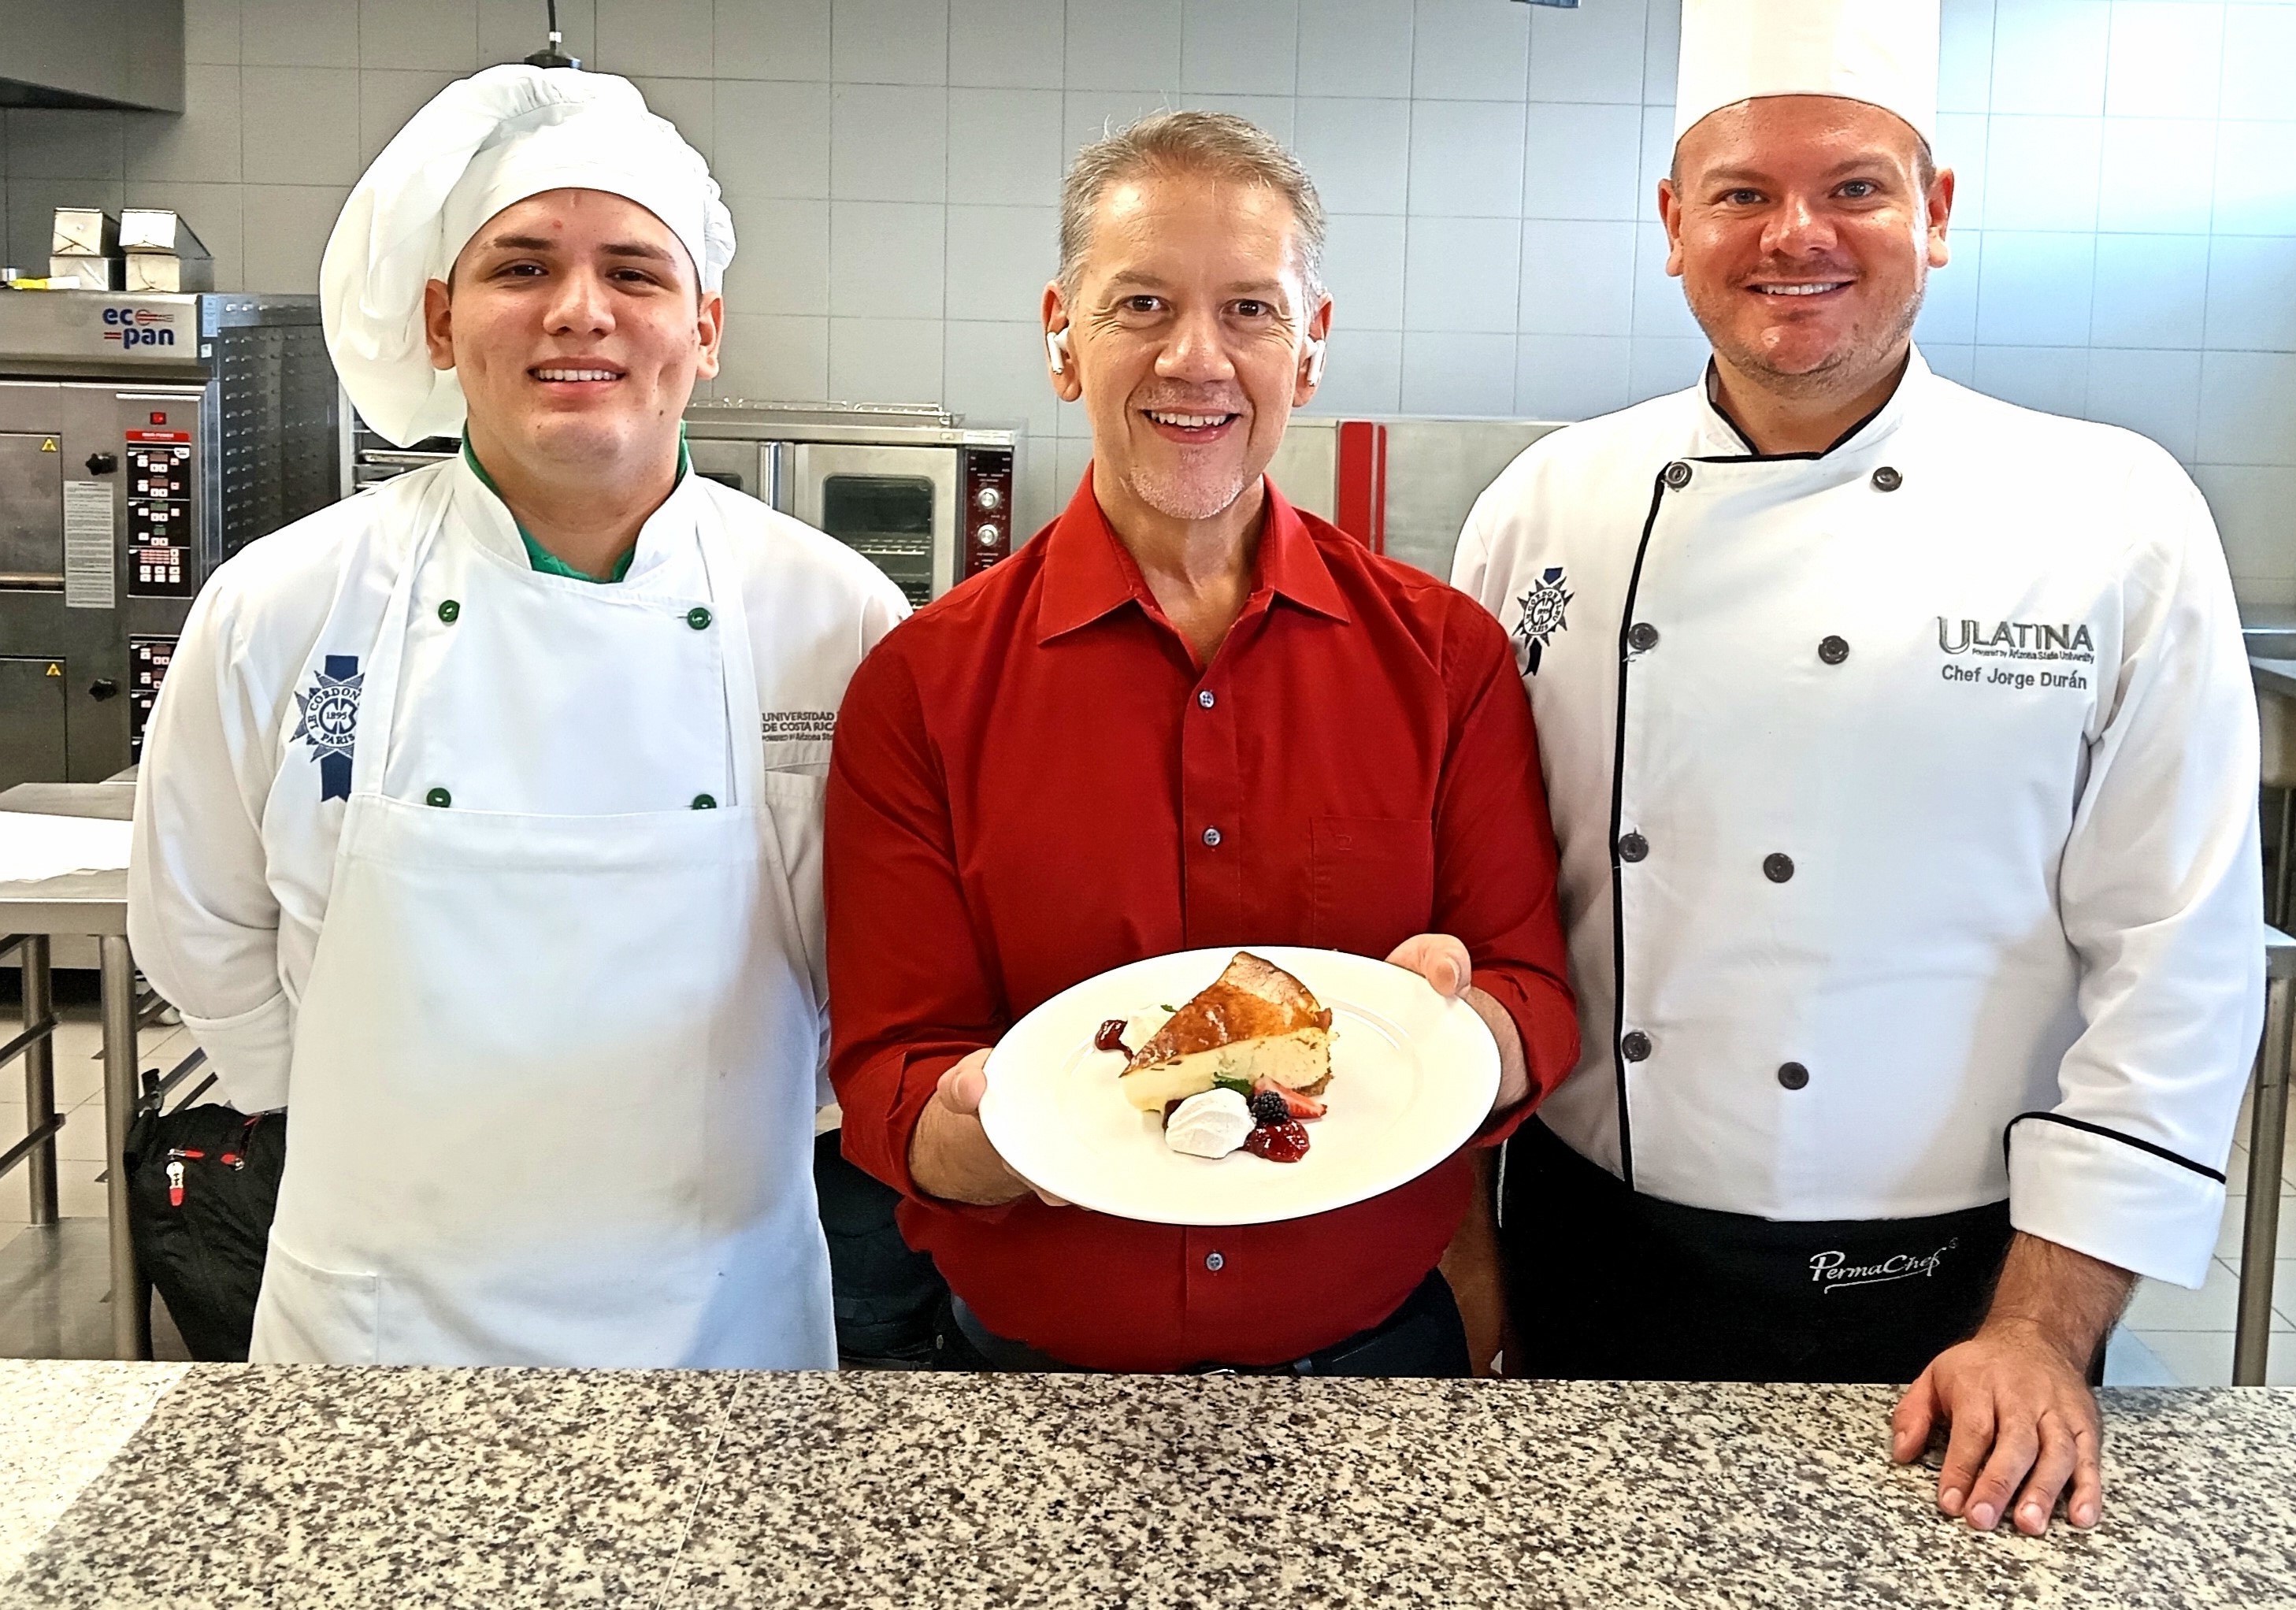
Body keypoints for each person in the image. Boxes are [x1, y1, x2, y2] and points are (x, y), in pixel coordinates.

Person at [1453, 0, 2261, 1537]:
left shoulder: (2111, 516)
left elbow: (2177, 955)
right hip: (1588, 1246)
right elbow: (1475, 902)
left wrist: (2043, 1328)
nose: (1794, 236)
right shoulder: (1541, 507)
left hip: (1963, 1297)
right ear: (1671, 225)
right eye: (1741, 192)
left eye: (1853, 187)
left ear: (1935, 212)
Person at [128, 65, 906, 1367]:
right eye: (522, 268)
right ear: (441, 321)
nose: (578, 311)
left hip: (723, 1319)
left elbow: (879, 947)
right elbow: (195, 916)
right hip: (378, 1318)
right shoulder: (286, 601)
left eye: (635, 273)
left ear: (706, 328)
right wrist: (335, 1110)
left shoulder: (833, 614)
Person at [825, 112, 1578, 1375]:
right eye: (1141, 306)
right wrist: (989, 1134)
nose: (1195, 359)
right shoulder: (923, 687)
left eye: (1248, 311)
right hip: (1032, 1385)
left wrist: (1453, 1033)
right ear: (1061, 337)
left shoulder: (1444, 659)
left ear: (1309, 346)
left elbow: (1531, 998)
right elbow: (891, 1083)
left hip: (1377, 1365)